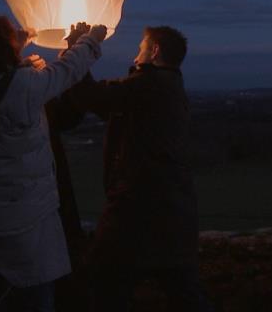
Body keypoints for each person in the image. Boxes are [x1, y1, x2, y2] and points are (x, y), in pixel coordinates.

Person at [0, 15, 106, 312]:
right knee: (33, 298)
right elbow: (67, 70)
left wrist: (16, 46)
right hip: (24, 225)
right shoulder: (24, 86)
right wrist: (91, 40)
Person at [64, 25, 205, 312]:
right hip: (172, 213)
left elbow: (94, 97)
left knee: (104, 283)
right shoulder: (167, 87)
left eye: (141, 47)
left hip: (138, 211)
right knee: (183, 293)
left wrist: (76, 48)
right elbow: (107, 105)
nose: (136, 53)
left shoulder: (149, 85)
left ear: (154, 52)